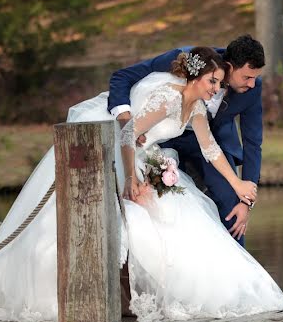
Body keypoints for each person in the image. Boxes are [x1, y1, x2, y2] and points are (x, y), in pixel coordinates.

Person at [0, 47, 283, 322]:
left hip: (150, 160)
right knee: (148, 214)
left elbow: (211, 150)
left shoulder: (194, 109)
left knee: (182, 214)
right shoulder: (169, 96)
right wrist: (133, 178)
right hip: (121, 154)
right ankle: (114, 295)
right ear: (199, 76)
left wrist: (242, 184)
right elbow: (129, 134)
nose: (217, 90)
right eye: (213, 82)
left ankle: (173, 296)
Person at [109, 35, 265, 246]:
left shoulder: (243, 93)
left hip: (206, 142)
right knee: (164, 206)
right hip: (156, 143)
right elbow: (122, 78)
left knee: (229, 198)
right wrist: (128, 123)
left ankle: (236, 264)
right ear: (228, 67)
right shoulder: (190, 60)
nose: (252, 83)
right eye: (247, 77)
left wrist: (246, 197)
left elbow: (250, 143)